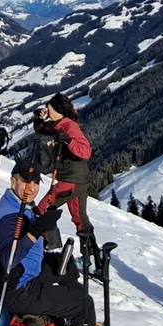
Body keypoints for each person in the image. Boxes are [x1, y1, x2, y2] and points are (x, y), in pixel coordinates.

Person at [0, 162, 104, 326]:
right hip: (19, 290)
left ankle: (82, 323)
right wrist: (36, 230)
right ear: (13, 180)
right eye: (25, 181)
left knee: (64, 265)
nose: (31, 188)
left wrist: (39, 223)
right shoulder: (11, 216)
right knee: (84, 303)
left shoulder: (15, 203)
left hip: (26, 274)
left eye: (35, 182)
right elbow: (8, 261)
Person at [34, 92, 100, 262]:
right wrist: (39, 119)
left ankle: (50, 243)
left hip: (72, 179)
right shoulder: (57, 124)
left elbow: (85, 152)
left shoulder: (69, 127)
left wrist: (68, 141)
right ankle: (91, 260)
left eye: (48, 109)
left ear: (58, 110)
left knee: (43, 209)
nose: (46, 111)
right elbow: (42, 130)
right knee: (80, 219)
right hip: (78, 180)